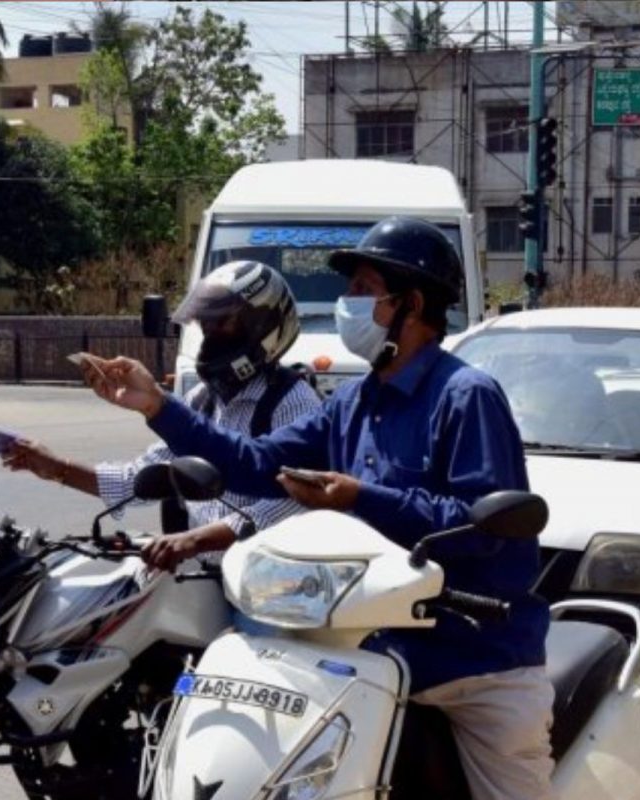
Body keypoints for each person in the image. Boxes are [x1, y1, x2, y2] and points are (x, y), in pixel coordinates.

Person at [84, 217, 554, 800]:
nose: (346, 303)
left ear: (409, 303)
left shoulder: (467, 397)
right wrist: (158, 407)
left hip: (473, 658)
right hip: (368, 645)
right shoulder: (354, 400)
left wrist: (361, 498)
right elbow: (253, 462)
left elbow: (478, 524)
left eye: (362, 289)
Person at [4, 261, 319, 570]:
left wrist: (196, 540)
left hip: (265, 588)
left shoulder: (292, 402)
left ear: (263, 325)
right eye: (206, 325)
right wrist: (55, 467)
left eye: (223, 323)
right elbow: (138, 479)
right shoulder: (201, 401)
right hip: (203, 576)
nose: (211, 336)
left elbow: (291, 501)